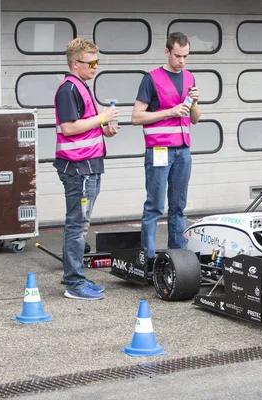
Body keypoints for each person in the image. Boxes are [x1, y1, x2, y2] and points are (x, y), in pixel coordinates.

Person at [54, 38, 120, 300]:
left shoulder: (81, 87)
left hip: (89, 166)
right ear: (75, 63)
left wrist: (105, 129)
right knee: (77, 225)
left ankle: (75, 277)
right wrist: (101, 118)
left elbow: (86, 125)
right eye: (90, 62)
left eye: (96, 62)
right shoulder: (68, 90)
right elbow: (68, 128)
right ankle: (74, 284)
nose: (95, 67)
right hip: (78, 169)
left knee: (81, 224)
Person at [131, 32, 202, 264]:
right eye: (178, 56)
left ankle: (177, 259)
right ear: (167, 52)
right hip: (159, 149)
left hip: (183, 150)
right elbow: (136, 117)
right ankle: (148, 260)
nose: (182, 61)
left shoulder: (190, 78)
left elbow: (195, 119)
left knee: (179, 206)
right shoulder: (151, 79)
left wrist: (195, 103)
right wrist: (170, 112)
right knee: (154, 206)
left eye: (186, 56)